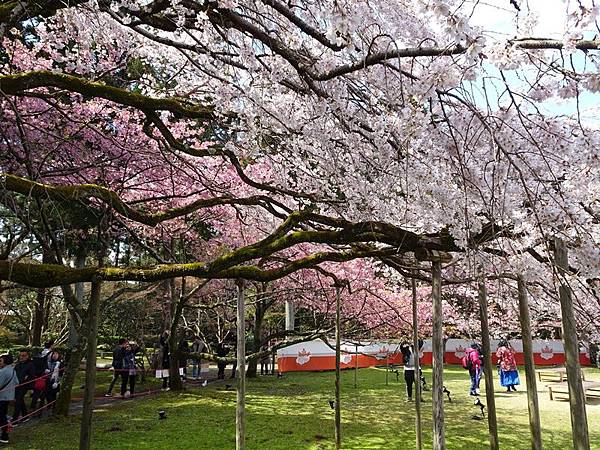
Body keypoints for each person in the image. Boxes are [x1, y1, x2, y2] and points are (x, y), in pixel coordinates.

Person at [0, 354, 18, 444]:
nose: (0, 363)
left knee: (1, 416)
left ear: (5, 361)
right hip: (9, 397)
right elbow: (17, 383)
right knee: (3, 414)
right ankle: (4, 433)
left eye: (1, 361)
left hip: (1, 397)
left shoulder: (3, 371)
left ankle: (5, 434)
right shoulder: (13, 371)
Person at [13, 350, 35, 422]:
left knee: (18, 400)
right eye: (20, 356)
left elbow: (31, 376)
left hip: (24, 385)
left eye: (23, 356)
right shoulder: (18, 364)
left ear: (28, 356)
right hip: (16, 384)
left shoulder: (30, 364)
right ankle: (25, 415)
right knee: (20, 399)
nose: (21, 357)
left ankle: (15, 419)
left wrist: (31, 388)